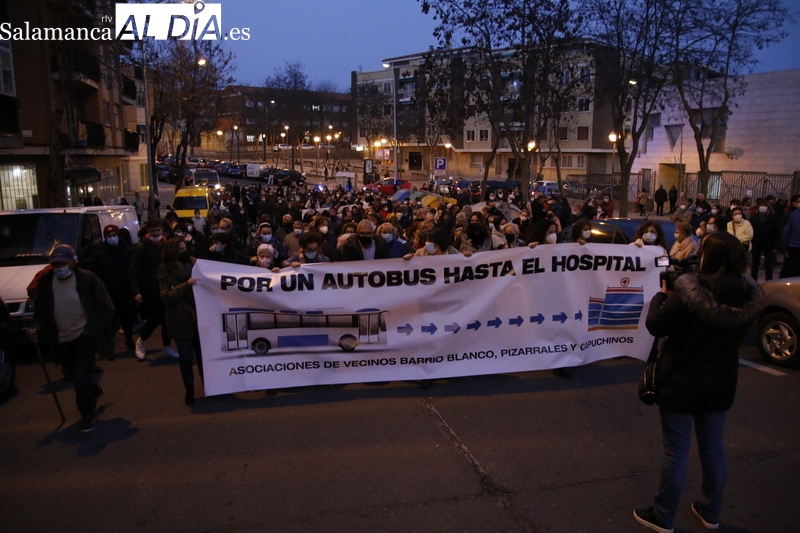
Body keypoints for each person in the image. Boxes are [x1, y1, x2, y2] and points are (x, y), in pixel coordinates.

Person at [633, 231, 763, 533]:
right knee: (713, 449)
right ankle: (710, 510)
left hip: (681, 382)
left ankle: (664, 516)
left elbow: (656, 325)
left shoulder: (690, 295)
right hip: (721, 384)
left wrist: (662, 295)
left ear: (711, 258)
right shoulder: (747, 298)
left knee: (676, 453)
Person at [30, 244, 114, 433]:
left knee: (80, 375)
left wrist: (90, 331)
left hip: (84, 336)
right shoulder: (46, 283)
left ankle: (86, 413)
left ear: (73, 262)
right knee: (72, 374)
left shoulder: (87, 279)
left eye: (63, 263)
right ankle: (93, 391)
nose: (59, 267)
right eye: (55, 264)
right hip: (61, 339)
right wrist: (37, 327)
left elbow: (106, 307)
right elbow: (41, 310)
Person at [157, 238, 203, 405]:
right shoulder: (166, 271)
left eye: (186, 248)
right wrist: (186, 285)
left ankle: (208, 384)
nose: (185, 251)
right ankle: (189, 388)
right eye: (181, 249)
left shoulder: (193, 264)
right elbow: (166, 297)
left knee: (202, 354)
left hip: (198, 317)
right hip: (179, 319)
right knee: (185, 356)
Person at [129, 218, 177, 360]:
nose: (155, 233)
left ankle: (167, 346)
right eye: (152, 231)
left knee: (166, 318)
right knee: (154, 318)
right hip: (148, 288)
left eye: (158, 230)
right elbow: (132, 271)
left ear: (163, 230)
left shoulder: (167, 246)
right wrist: (136, 291)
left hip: (165, 287)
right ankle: (141, 341)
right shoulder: (142, 247)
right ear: (148, 232)